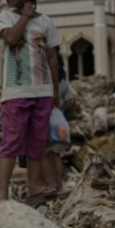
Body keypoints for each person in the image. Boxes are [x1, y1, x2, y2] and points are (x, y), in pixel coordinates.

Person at [0, 0, 61, 203]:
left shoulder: (46, 22)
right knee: (11, 140)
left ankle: (34, 186)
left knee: (37, 142)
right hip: (16, 91)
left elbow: (52, 57)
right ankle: (2, 190)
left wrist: (55, 91)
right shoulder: (6, 17)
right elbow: (11, 39)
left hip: (42, 91)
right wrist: (25, 15)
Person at [41, 47, 79, 191]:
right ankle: (59, 184)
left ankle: (50, 184)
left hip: (46, 122)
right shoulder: (63, 82)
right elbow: (70, 103)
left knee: (44, 154)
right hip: (60, 124)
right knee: (57, 155)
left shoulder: (44, 80)